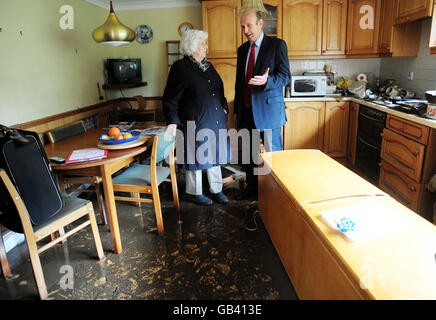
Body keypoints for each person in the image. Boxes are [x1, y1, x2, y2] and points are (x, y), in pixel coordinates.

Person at [163, 29, 230, 206]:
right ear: (192, 46)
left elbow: (220, 89)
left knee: (214, 155)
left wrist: (224, 107)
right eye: (203, 44)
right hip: (194, 121)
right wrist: (172, 121)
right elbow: (170, 98)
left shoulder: (208, 66)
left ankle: (216, 189)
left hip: (215, 119)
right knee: (196, 156)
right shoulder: (180, 68)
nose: (206, 47)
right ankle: (194, 192)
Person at [234, 9, 291, 200]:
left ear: (260, 23)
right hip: (247, 110)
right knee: (250, 154)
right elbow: (239, 83)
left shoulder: (277, 45)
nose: (246, 30)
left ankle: (275, 195)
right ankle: (252, 190)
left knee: (272, 155)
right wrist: (237, 111)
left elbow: (285, 76)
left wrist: (268, 81)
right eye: (243, 26)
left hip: (268, 112)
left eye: (249, 25)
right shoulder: (242, 50)